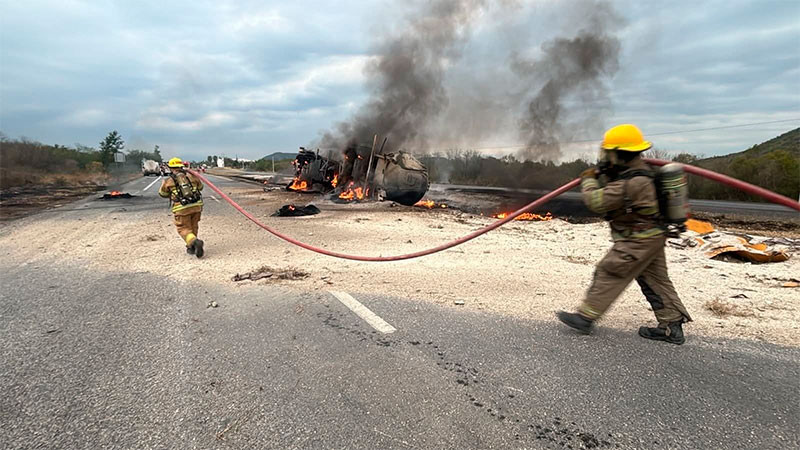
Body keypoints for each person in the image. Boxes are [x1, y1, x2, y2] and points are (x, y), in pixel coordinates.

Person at [557, 124, 692, 345]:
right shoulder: (639, 173)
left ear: (620, 153)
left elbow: (596, 201)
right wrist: (606, 171)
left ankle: (585, 317)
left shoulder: (633, 182)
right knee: (655, 280)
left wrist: (589, 180)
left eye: (609, 153)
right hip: (652, 236)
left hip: (637, 240)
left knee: (610, 271)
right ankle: (672, 326)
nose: (606, 156)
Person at [159, 157, 205, 258]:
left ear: (171, 168)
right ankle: (192, 247)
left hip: (181, 208)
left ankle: (194, 242)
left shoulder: (169, 180)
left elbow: (162, 194)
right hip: (196, 206)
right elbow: (201, 188)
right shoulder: (192, 176)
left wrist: (164, 185)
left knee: (183, 228)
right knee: (193, 226)